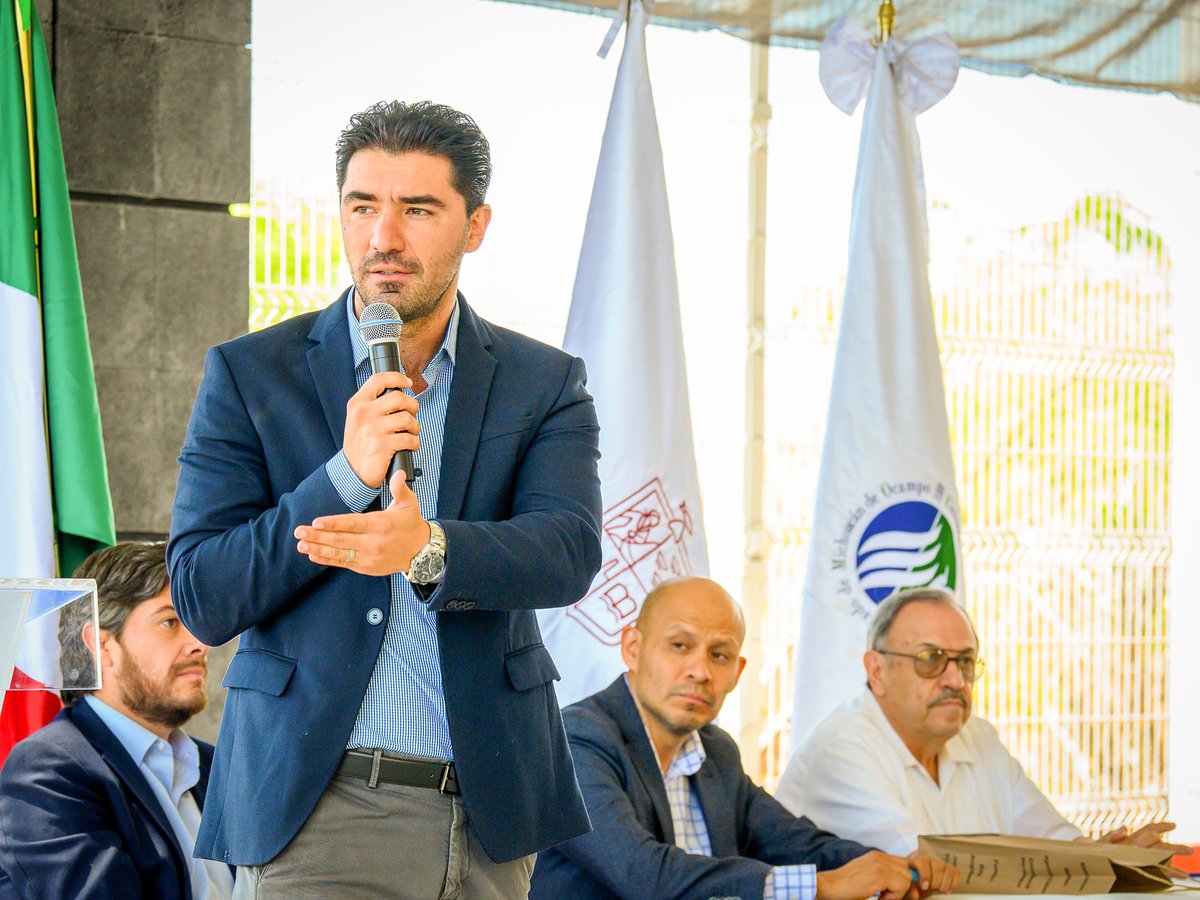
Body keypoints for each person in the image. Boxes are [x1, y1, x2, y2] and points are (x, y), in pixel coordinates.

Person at [168, 99, 602, 897]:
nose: (383, 237)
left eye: (418, 209)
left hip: (492, 818)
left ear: (475, 226)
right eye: (363, 206)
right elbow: (202, 593)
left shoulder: (543, 383)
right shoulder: (251, 372)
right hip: (316, 810)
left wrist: (428, 548)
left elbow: (569, 553)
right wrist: (346, 475)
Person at [530, 577, 959, 900]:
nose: (700, 670)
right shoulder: (576, 740)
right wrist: (822, 886)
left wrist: (893, 867)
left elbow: (796, 842)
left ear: (737, 672)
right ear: (632, 648)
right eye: (680, 645)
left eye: (719, 655)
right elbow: (642, 875)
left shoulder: (716, 751)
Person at [775, 587, 1188, 857]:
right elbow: (930, 872)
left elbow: (1055, 845)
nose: (955, 680)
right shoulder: (843, 748)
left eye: (966, 662)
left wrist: (1114, 857)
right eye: (931, 660)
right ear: (877, 671)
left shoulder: (977, 737)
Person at [0, 541, 232, 900]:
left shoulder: (219, 766)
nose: (199, 643)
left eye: (195, 623)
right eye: (170, 621)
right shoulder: (48, 771)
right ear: (101, 645)